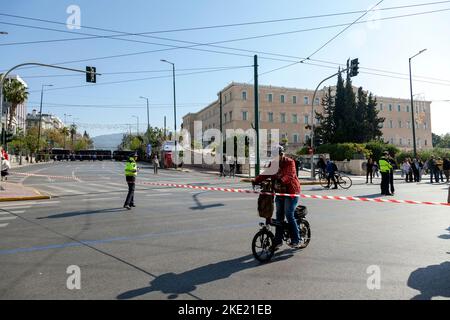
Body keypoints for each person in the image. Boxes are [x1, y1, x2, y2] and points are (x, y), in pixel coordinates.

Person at [252, 145, 303, 249]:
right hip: (280, 192)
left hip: (291, 192)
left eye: (277, 155)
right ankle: (278, 241)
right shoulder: (273, 164)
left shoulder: (289, 162)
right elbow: (266, 174)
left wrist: (281, 180)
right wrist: (256, 180)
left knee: (289, 214)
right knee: (279, 216)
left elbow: (290, 175)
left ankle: (296, 239)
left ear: (281, 154)